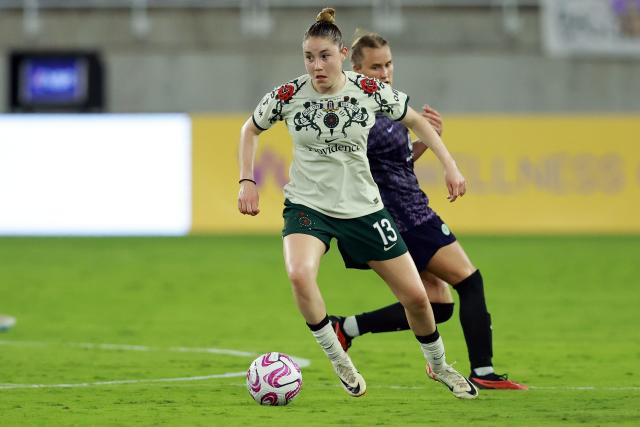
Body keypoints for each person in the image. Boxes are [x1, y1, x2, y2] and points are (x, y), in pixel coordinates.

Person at [238, 8, 477, 399]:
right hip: (308, 206)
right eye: (309, 57)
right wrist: (247, 181)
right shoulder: (288, 95)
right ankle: (338, 358)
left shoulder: (367, 90)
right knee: (299, 274)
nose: (316, 65)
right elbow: (250, 129)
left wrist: (450, 167)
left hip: (364, 209)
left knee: (418, 298)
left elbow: (417, 122)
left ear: (342, 53)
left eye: (324, 56)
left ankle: (439, 366)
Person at [328, 32, 527, 390]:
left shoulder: (385, 103)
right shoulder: (358, 112)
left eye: (389, 64)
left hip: (406, 212)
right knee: (470, 281)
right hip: (404, 217)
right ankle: (482, 371)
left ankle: (345, 327)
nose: (386, 72)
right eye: (376, 66)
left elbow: (395, 162)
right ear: (355, 68)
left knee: (438, 305)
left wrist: (425, 139)